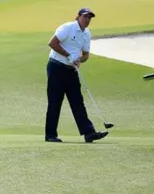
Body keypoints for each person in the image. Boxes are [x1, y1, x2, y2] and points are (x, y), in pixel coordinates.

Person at [45, 8, 109, 143]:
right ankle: (50, 135)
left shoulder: (86, 34)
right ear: (78, 17)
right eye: (85, 17)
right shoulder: (67, 28)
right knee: (55, 102)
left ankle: (89, 133)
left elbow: (85, 55)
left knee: (77, 102)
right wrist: (68, 55)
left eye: (90, 18)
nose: (88, 20)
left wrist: (79, 59)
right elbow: (52, 43)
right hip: (56, 67)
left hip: (71, 70)